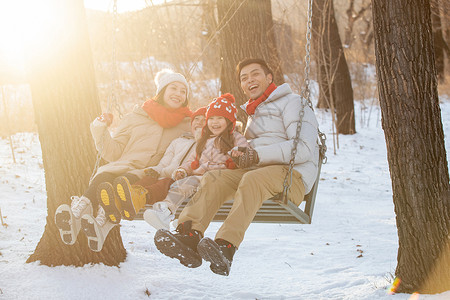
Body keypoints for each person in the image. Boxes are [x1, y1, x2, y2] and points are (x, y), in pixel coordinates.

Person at [154, 58, 319, 276]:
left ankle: (226, 246)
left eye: (255, 74)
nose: (249, 80)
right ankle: (189, 235)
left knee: (252, 179)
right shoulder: (255, 113)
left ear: (269, 77)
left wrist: (256, 155)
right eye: (244, 78)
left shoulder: (294, 102)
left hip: (292, 177)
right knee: (215, 178)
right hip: (259, 172)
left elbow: (304, 148)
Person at [54, 69, 192, 252]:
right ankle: (78, 214)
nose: (178, 94)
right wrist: (100, 130)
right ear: (162, 91)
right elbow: (113, 152)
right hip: (124, 165)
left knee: (121, 182)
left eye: (183, 91)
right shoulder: (136, 117)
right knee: (105, 176)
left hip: (151, 173)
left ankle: (100, 220)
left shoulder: (189, 123)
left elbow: (209, 135)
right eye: (173, 88)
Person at [143, 93, 250, 230]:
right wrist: (183, 170)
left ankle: (184, 219)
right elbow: (192, 160)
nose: (215, 122)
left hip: (219, 179)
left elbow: (245, 153)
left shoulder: (236, 138)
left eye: (220, 118)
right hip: (198, 177)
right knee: (181, 185)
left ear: (229, 121)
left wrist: (237, 156)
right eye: (211, 118)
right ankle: (165, 211)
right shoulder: (203, 141)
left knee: (199, 189)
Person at [100, 107, 206, 228]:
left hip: (179, 180)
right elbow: (164, 162)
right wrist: (156, 170)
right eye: (196, 119)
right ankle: (120, 201)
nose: (199, 122)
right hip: (165, 173)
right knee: (147, 179)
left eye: (204, 120)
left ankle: (140, 198)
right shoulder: (178, 141)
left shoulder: (209, 145)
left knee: (164, 183)